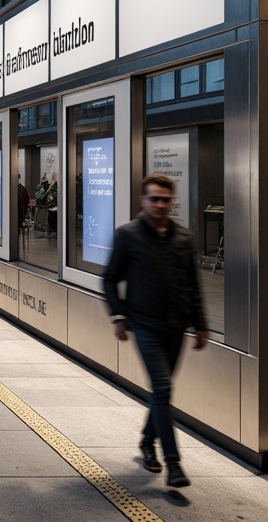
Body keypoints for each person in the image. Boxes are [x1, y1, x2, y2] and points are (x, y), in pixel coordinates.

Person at [102, 174, 208, 489]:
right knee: (162, 388)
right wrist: (118, 315)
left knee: (161, 392)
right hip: (143, 323)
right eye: (154, 199)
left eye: (165, 199)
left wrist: (200, 324)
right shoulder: (128, 235)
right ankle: (173, 464)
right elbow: (109, 278)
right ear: (143, 200)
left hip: (176, 326)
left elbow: (192, 284)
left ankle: (147, 441)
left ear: (171, 201)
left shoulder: (184, 238)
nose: (160, 204)